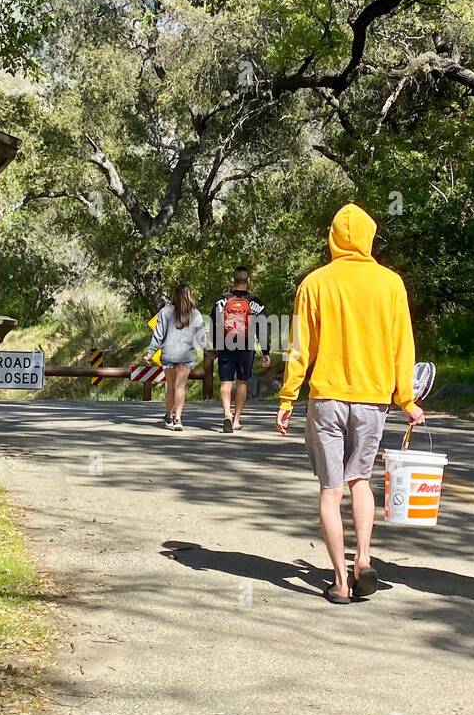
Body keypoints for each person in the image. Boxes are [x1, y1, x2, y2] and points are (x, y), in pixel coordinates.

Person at [277, 203, 425, 604]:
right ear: (369, 236)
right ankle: (362, 558)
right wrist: (406, 398)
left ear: (333, 238)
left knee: (330, 489)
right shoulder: (390, 283)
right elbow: (402, 346)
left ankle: (340, 582)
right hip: (372, 399)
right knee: (360, 480)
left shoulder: (315, 283)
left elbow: (299, 347)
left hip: (326, 398)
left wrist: (288, 395)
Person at [213, 267, 270, 434]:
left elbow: (214, 322)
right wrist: (266, 352)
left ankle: (226, 414)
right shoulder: (255, 302)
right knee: (242, 382)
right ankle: (236, 420)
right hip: (246, 346)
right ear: (249, 280)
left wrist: (215, 345)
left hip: (226, 344)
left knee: (225, 382)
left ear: (233, 280)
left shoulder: (222, 300)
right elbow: (263, 327)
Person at [144, 284, 206, 431]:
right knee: (180, 387)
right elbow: (201, 338)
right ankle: (177, 418)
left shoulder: (165, 312)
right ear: (189, 295)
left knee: (171, 387)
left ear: (174, 295)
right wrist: (208, 350)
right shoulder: (195, 314)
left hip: (169, 353)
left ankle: (169, 416)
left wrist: (150, 353)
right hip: (186, 355)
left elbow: (158, 335)